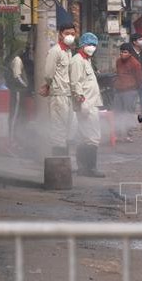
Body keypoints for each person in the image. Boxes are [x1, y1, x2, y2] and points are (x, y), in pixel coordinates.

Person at [70, 32, 105, 178]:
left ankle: (83, 167)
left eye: (94, 45)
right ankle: (90, 168)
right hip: (86, 104)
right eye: (89, 44)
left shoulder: (86, 60)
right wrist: (81, 102)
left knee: (85, 136)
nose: (92, 47)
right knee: (92, 137)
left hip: (91, 103)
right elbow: (75, 83)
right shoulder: (77, 61)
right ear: (82, 45)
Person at [43, 23, 76, 156]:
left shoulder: (68, 51)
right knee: (58, 130)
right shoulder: (55, 51)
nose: (70, 36)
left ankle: (65, 161)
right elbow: (48, 74)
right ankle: (58, 164)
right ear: (60, 34)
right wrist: (48, 86)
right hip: (58, 95)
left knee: (69, 129)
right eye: (67, 33)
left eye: (73, 34)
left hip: (67, 95)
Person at [114, 43, 142, 142]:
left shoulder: (135, 63)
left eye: (125, 52)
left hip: (130, 91)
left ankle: (128, 134)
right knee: (117, 113)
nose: (122, 54)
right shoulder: (118, 61)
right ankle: (117, 134)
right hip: (119, 90)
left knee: (128, 113)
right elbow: (117, 74)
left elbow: (139, 79)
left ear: (130, 53)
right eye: (121, 52)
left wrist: (135, 89)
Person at [8, 49, 28, 144]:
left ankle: (14, 138)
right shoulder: (17, 59)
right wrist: (26, 85)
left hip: (17, 91)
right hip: (17, 91)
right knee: (15, 115)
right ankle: (11, 140)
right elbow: (17, 76)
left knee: (16, 114)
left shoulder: (16, 59)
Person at [129, 34, 142, 118]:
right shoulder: (129, 53)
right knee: (131, 102)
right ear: (134, 42)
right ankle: (130, 120)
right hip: (132, 82)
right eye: (140, 39)